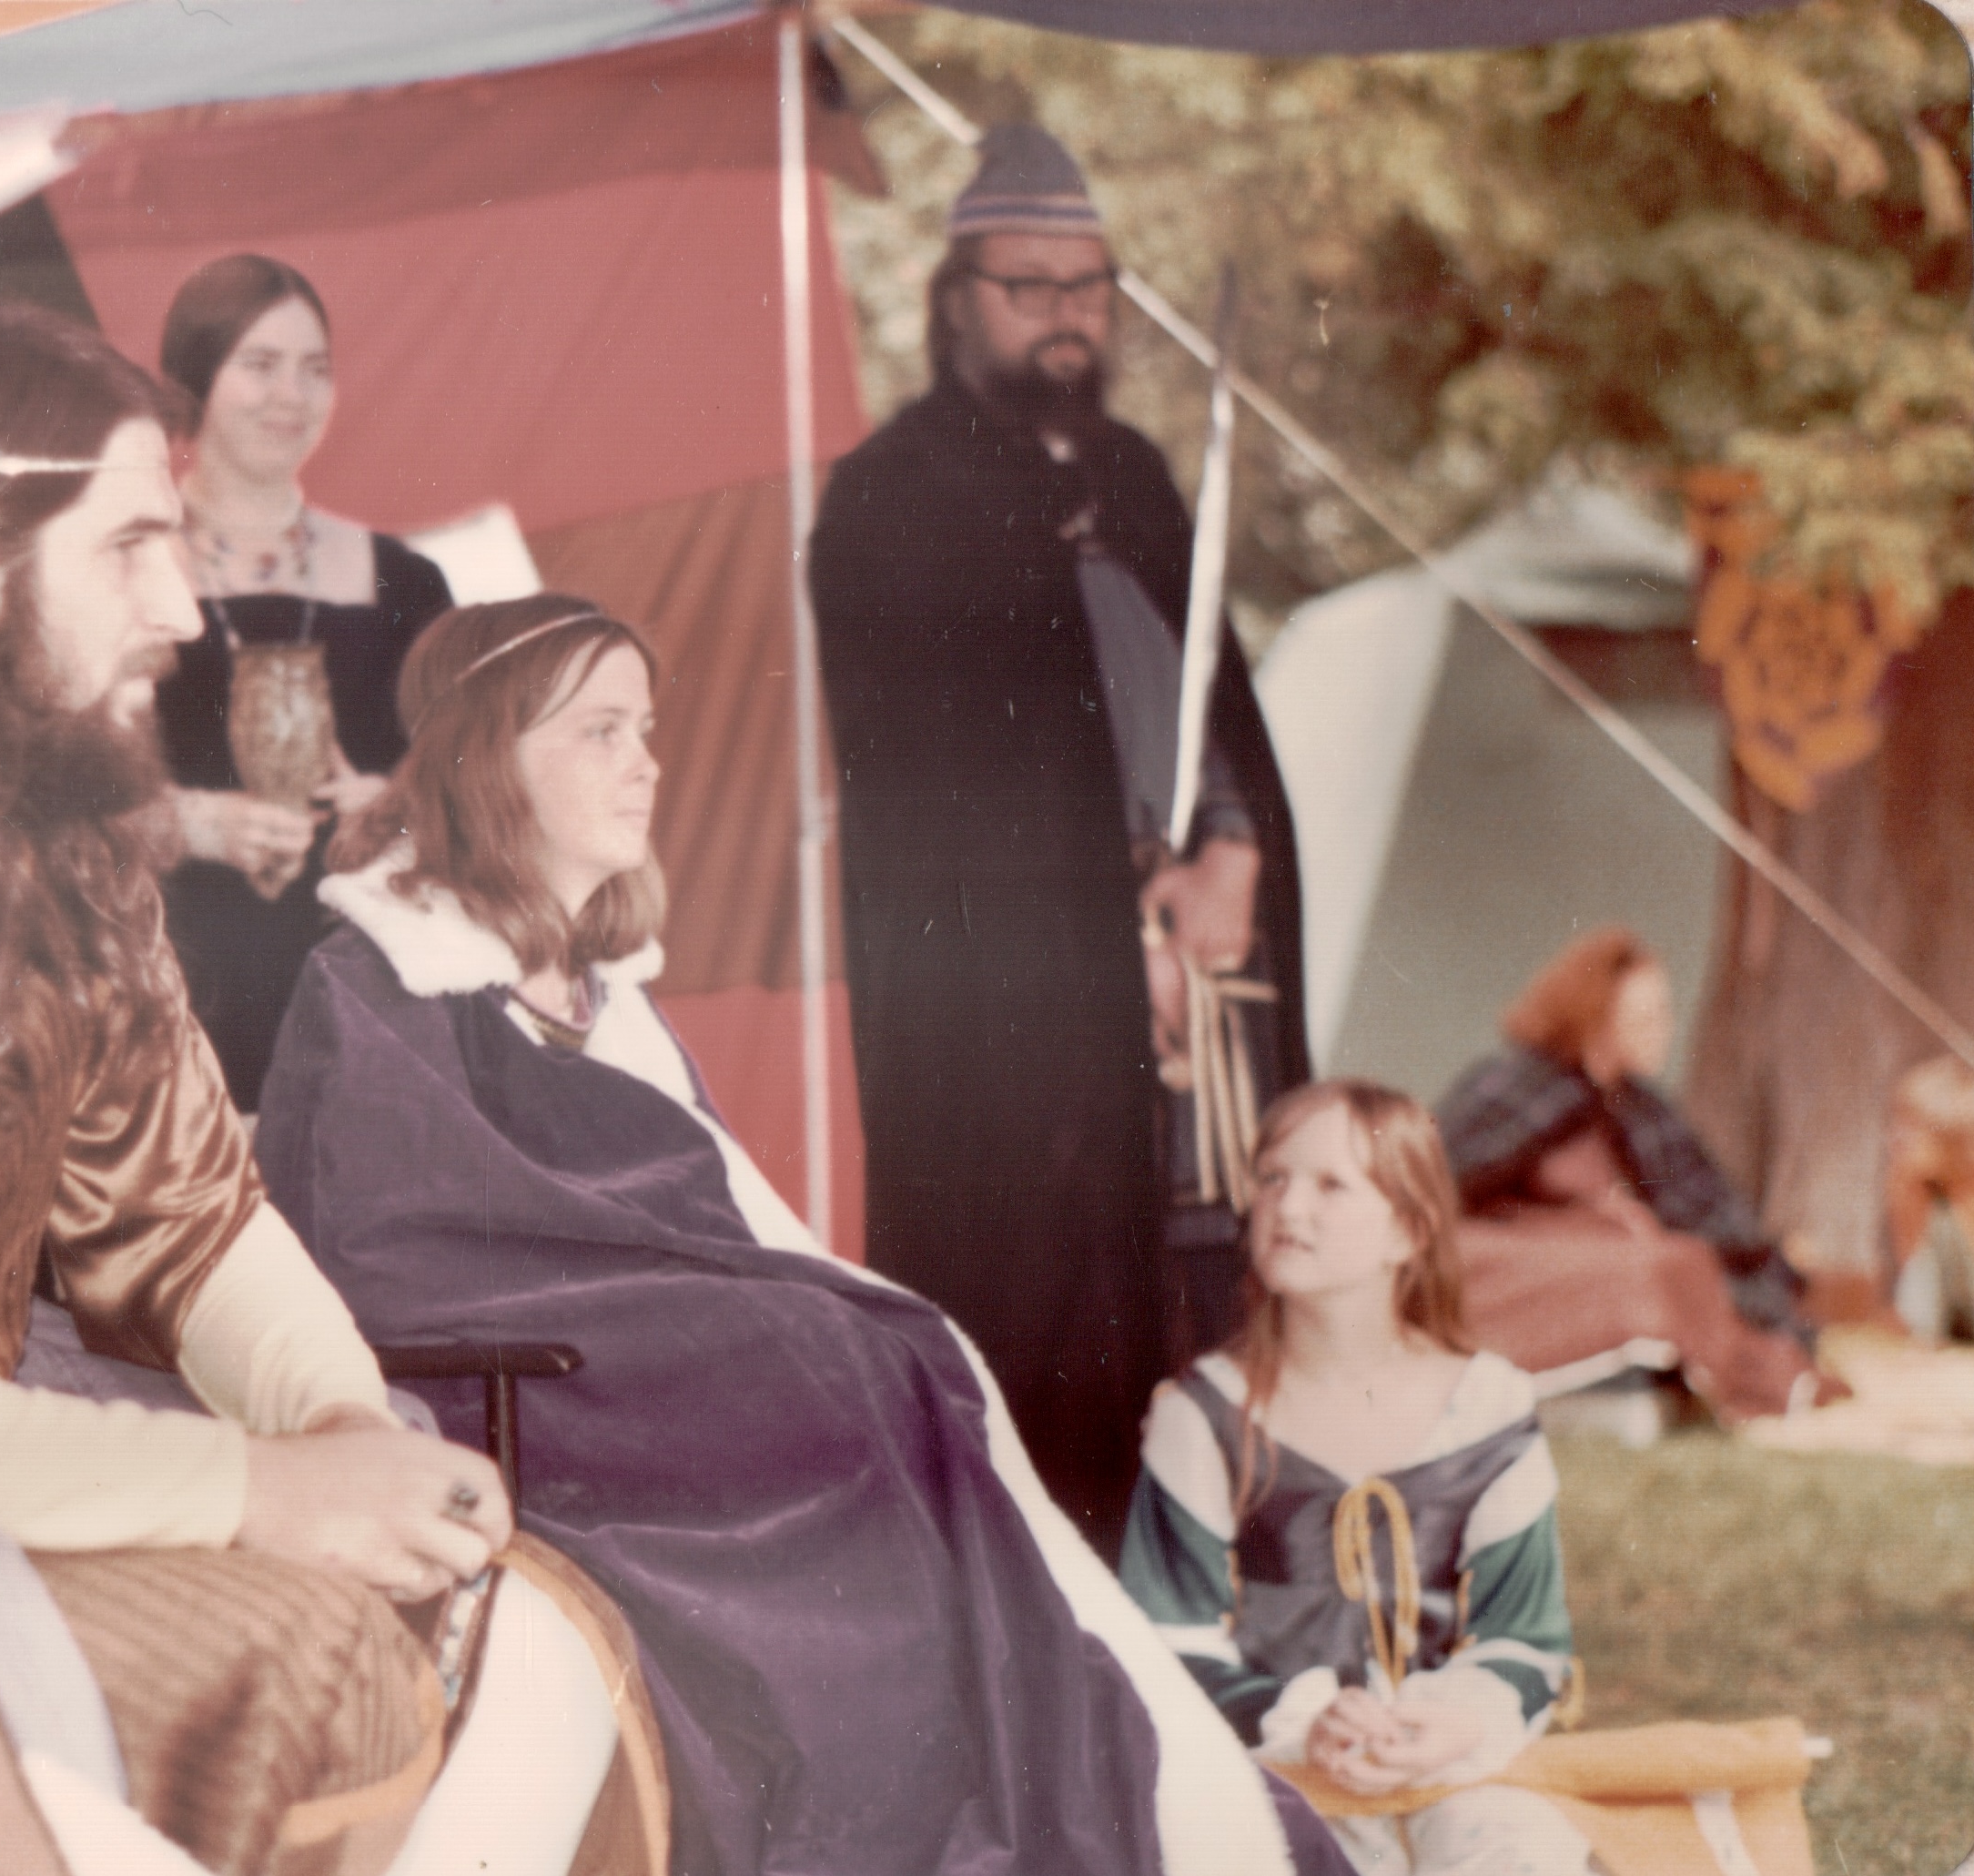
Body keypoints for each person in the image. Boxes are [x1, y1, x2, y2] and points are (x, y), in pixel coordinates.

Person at [0, 305, 645, 1876]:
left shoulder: (64, 855)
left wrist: (342, 1424)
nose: (183, 611)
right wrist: (253, 1489)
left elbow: (193, 1218)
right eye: (130, 545)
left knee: (527, 1632)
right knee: (308, 1658)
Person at [257, 596, 1355, 1876]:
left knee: (895, 1356)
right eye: (600, 730)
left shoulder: (605, 995)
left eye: (645, 729)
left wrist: (803, 1313)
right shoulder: (384, 975)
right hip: (515, 1392)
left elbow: (710, 1212)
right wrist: (739, 1321)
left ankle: (1008, 1808)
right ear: (490, 754)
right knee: (837, 1361)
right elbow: (391, 1243)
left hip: (639, 1367)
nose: (644, 763)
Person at [807, 121, 1308, 1555]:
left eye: (1086, 287)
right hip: (1014, 1041)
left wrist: (1233, 847)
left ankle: (1217, 1595)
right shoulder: (892, 501)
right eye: (1028, 287)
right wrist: (1100, 942)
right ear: (954, 301)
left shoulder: (1135, 478)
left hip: (1196, 984)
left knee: (1211, 1303)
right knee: (1044, 1339)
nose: (1064, 316)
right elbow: (946, 804)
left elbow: (1212, 708)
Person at [1119, 1080, 1591, 1876]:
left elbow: (1525, 1635)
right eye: (1272, 1177)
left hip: (1450, 1761)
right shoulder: (1206, 1416)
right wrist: (1306, 1722)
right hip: (1273, 1762)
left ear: (1408, 1229)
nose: (1288, 1206)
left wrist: (1458, 1722)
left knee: (1514, 1853)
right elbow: (1167, 1645)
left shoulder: (1487, 1409)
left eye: (1330, 1184)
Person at [153, 253, 455, 1108]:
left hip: (370, 999)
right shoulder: (131, 567)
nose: (292, 394)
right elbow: (57, 792)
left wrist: (395, 808)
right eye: (261, 364)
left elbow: (475, 776)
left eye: (315, 369)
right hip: (178, 1004)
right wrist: (198, 824)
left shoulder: (405, 581)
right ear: (194, 377)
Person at [1434, 928, 1826, 1419]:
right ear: (1596, 1015)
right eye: (1646, 1017)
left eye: (1664, 1014)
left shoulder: (1641, 1107)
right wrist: (1582, 1218)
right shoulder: (1518, 1083)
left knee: (1686, 1263)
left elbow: (1704, 1205)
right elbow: (1443, 1183)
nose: (1664, 1029)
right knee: (1662, 1268)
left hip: (1609, 1248)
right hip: (1509, 1251)